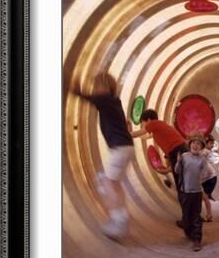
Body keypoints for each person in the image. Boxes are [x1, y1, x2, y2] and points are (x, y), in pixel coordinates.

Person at [73, 73, 134, 240]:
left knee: (107, 183)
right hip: (126, 148)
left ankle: (118, 221)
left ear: (105, 87)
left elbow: (91, 98)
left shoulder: (106, 99)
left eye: (97, 85)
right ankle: (123, 216)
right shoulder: (114, 101)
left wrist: (76, 91)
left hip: (120, 148)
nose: (95, 89)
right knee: (115, 184)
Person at [130, 109, 188, 207]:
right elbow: (145, 136)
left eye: (142, 123)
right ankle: (194, 216)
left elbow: (138, 133)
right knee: (186, 182)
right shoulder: (159, 125)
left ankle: (188, 218)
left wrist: (123, 133)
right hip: (182, 149)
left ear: (148, 119)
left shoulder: (152, 123)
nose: (143, 126)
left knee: (181, 185)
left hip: (176, 151)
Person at [175, 136, 209, 251]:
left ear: (201, 147)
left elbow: (206, 172)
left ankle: (197, 240)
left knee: (196, 217)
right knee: (186, 217)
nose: (195, 145)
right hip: (185, 192)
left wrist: (202, 178)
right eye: (194, 143)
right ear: (189, 145)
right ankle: (188, 232)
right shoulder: (184, 157)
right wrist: (179, 162)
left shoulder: (202, 159)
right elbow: (177, 171)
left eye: (199, 144)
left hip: (197, 192)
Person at [200, 134, 218, 221]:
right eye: (210, 143)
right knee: (203, 197)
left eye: (213, 143)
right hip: (206, 179)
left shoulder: (206, 151)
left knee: (204, 197)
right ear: (205, 143)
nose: (212, 145)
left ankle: (209, 215)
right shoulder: (206, 151)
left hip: (210, 178)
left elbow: (200, 154)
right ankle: (207, 214)